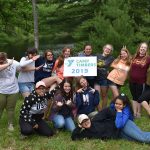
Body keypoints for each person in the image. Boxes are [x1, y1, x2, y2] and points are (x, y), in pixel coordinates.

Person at [0, 52, 20, 131]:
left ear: (5, 58)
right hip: (1, 90)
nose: (1, 62)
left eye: (2, 60)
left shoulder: (14, 62)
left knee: (11, 108)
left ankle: (10, 124)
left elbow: (21, 67)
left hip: (13, 90)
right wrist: (8, 64)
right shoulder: (10, 63)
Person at [129, 42, 150, 118]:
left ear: (146, 50)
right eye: (142, 47)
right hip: (132, 80)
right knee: (134, 97)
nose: (143, 48)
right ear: (139, 48)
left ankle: (139, 113)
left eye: (145, 48)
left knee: (139, 97)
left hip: (141, 81)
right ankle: (134, 113)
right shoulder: (134, 56)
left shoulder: (148, 58)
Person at [94, 44, 114, 109]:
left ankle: (104, 110)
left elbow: (105, 64)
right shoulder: (97, 55)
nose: (107, 50)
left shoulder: (111, 58)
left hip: (104, 79)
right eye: (106, 48)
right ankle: (100, 111)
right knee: (96, 96)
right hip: (96, 78)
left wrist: (96, 64)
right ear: (103, 48)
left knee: (104, 96)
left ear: (110, 51)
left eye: (109, 50)